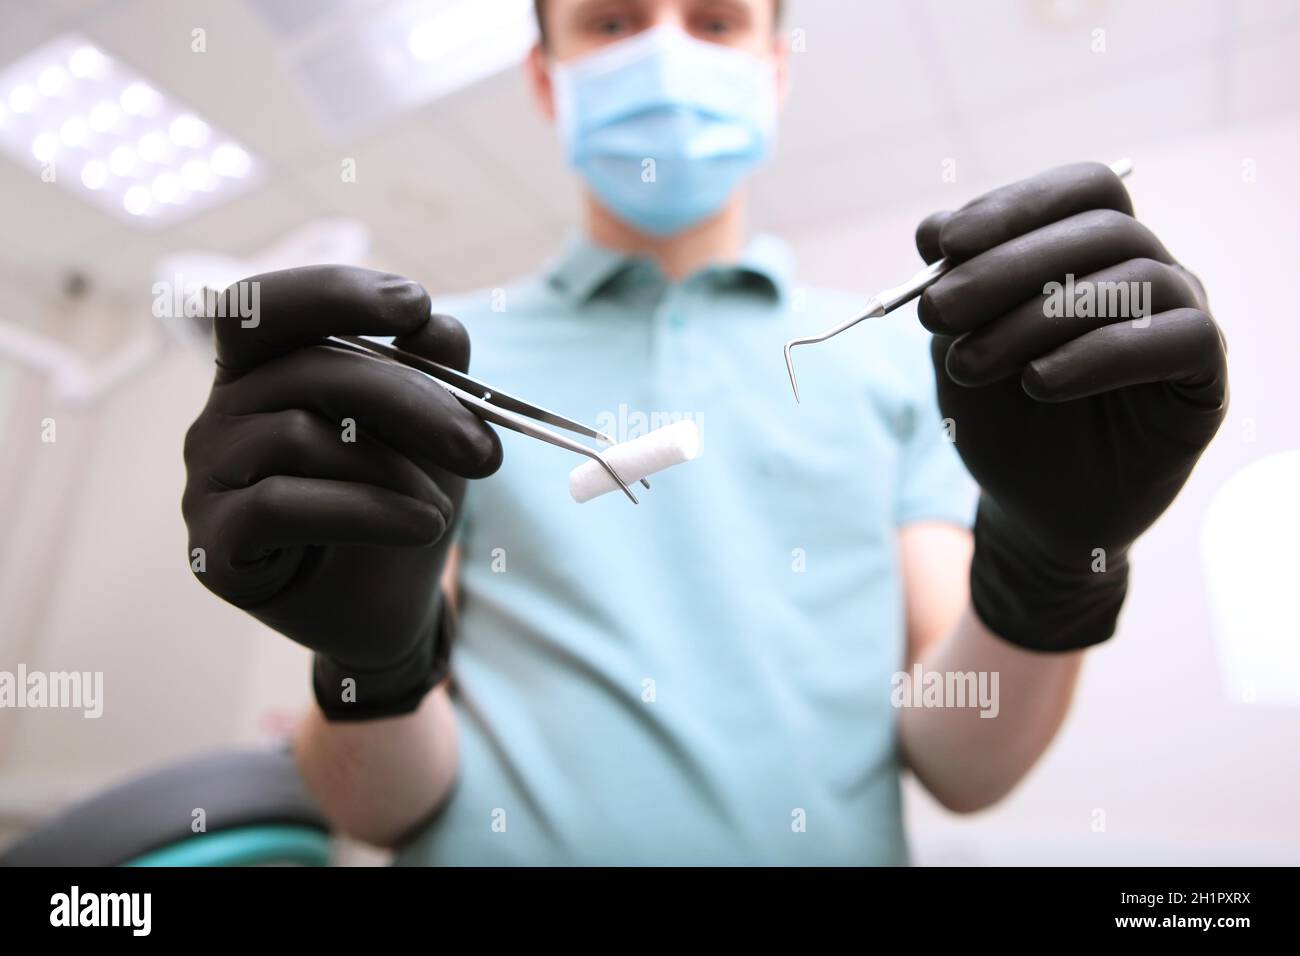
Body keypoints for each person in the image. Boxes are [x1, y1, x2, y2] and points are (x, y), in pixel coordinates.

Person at [180, 0, 1227, 864]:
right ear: (547, 78)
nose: (667, 53)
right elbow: (377, 807)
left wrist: (1051, 567)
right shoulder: (435, 360)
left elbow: (962, 765)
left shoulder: (907, 362)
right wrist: (373, 663)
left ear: (774, 70)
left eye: (717, 22)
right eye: (614, 21)